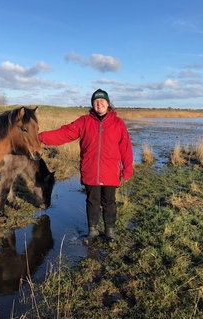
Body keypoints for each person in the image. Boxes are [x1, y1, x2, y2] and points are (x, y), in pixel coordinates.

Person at [38, 89, 133, 244]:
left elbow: (126, 148)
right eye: (96, 102)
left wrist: (127, 169)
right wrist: (41, 137)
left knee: (109, 202)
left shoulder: (118, 124)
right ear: (92, 104)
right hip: (90, 171)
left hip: (110, 172)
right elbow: (65, 133)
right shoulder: (84, 121)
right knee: (92, 201)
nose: (99, 104)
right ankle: (93, 232)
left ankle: (110, 233)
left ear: (108, 104)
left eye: (102, 101)